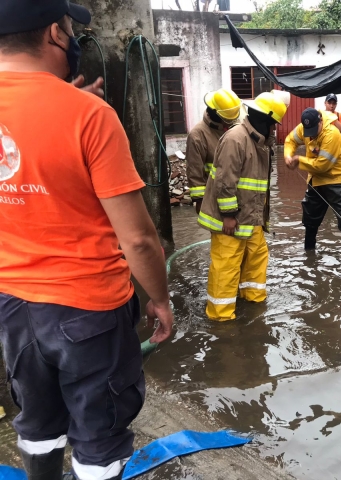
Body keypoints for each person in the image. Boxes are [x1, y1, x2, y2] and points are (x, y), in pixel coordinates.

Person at [0, 2, 174, 480]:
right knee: (99, 435)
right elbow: (138, 239)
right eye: (72, 28)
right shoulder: (90, 116)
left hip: (13, 305)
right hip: (88, 309)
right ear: (56, 33)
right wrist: (159, 298)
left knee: (36, 417)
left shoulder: (76, 106)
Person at [198, 92, 287, 321]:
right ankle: (221, 318)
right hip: (231, 220)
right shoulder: (235, 139)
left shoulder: (260, 143)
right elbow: (225, 182)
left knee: (257, 257)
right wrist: (229, 215)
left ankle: (253, 300)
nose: (275, 130)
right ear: (265, 120)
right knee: (226, 266)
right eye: (273, 125)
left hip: (251, 217)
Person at [284, 108, 341, 262]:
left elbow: (322, 165)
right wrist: (287, 155)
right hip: (316, 180)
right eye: (308, 132)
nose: (311, 135)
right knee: (310, 219)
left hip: (338, 180)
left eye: (314, 131)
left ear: (320, 121)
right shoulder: (304, 127)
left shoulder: (332, 134)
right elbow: (290, 140)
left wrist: (299, 160)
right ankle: (309, 253)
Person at [186, 88, 243, 214]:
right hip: (214, 196)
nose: (230, 123)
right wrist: (200, 201)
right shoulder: (197, 135)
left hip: (240, 195)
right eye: (227, 120)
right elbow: (194, 171)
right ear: (216, 114)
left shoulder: (237, 127)